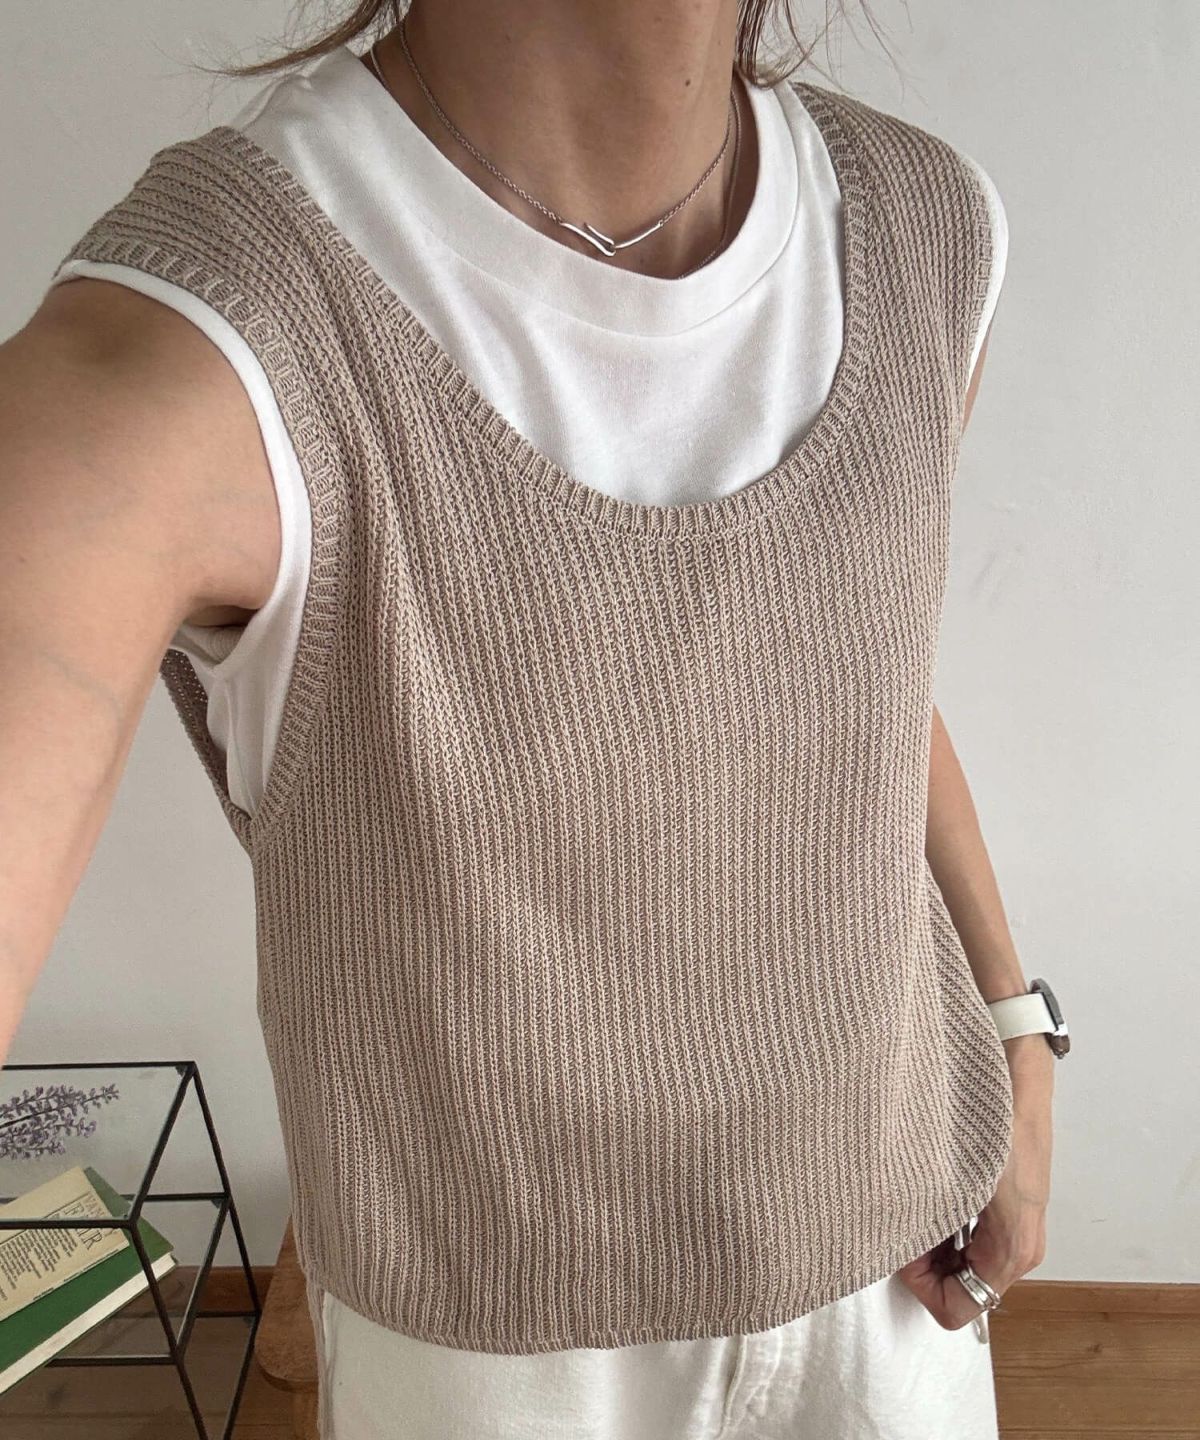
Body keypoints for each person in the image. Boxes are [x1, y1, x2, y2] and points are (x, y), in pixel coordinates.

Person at [0, 3, 1062, 1436]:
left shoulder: (927, 227)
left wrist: (1012, 1022)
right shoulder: (194, 343)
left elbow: (855, 686)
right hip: (496, 1342)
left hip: (892, 1265)